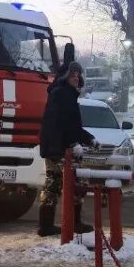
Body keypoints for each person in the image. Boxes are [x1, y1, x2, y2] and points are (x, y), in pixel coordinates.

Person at [36, 61, 98, 237]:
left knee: (52, 184)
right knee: (78, 182)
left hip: (53, 147)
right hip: (60, 149)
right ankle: (74, 222)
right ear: (65, 77)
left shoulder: (61, 94)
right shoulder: (63, 95)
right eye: (73, 74)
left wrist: (90, 139)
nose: (77, 77)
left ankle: (46, 225)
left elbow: (71, 127)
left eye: (79, 73)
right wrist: (72, 144)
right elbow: (62, 125)